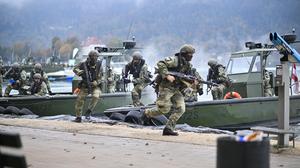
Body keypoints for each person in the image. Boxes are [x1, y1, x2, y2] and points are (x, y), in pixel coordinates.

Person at [142, 44, 197, 136]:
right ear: (184, 54)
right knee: (164, 109)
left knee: (181, 109)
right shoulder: (174, 60)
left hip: (176, 89)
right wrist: (167, 75)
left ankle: (168, 128)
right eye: (190, 54)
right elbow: (160, 63)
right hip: (166, 88)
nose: (192, 56)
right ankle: (147, 113)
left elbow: (187, 77)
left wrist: (193, 82)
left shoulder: (187, 65)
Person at [73, 50, 103, 122]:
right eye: (92, 58)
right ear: (89, 58)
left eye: (95, 58)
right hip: (85, 85)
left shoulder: (99, 65)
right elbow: (74, 69)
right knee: (80, 99)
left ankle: (89, 110)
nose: (94, 60)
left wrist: (96, 82)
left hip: (95, 86)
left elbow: (101, 77)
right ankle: (78, 117)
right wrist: (78, 72)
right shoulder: (83, 64)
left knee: (96, 96)